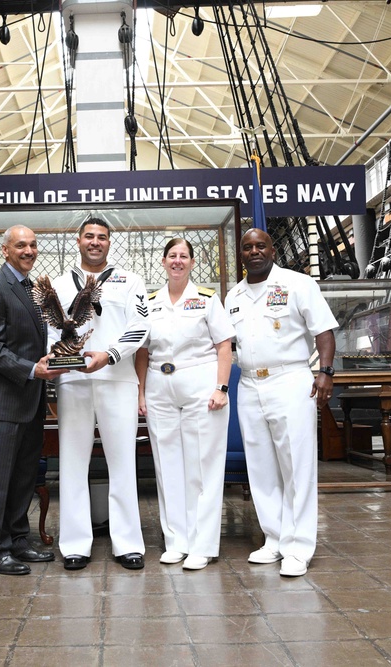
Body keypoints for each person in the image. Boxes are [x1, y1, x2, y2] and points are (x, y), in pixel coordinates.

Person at [224, 228, 338, 578]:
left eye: (261, 246)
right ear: (240, 254)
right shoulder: (234, 296)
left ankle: (298, 547)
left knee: (297, 465)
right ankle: (274, 538)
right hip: (248, 383)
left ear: (272, 250)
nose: (254, 251)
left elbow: (324, 333)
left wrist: (327, 372)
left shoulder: (298, 284)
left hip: (290, 379)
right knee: (260, 467)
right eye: (248, 247)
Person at [51, 218, 150, 571]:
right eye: (89, 236)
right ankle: (75, 544)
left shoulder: (130, 281)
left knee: (123, 461)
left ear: (110, 242)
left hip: (117, 378)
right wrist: (58, 357)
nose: (95, 242)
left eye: (102, 237)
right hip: (73, 380)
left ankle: (127, 543)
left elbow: (140, 328)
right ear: (78, 240)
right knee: (72, 461)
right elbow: (50, 331)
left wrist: (108, 355)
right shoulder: (60, 284)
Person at [134, 238, 234, 571]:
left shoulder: (206, 299)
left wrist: (221, 387)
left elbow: (224, 346)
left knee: (202, 465)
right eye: (172, 256)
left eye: (184, 257)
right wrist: (141, 392)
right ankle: (177, 541)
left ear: (192, 263)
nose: (178, 261)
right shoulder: (150, 302)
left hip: (200, 383)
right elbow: (143, 350)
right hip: (160, 385)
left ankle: (203, 545)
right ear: (163, 262)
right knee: (167, 466)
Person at [0, 225, 66, 575]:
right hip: (2, 403)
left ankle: (17, 539)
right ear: (5, 250)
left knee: (23, 477)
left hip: (30, 402)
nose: (28, 250)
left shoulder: (31, 290)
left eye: (33, 245)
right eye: (21, 245)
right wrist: (32, 370)